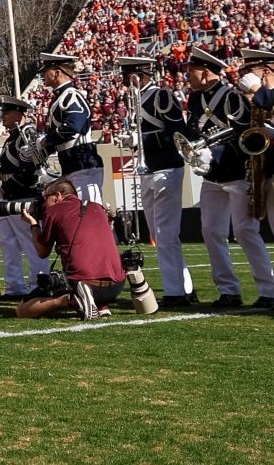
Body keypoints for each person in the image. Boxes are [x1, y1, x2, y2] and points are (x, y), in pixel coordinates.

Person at [182, 46, 272, 310]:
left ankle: (268, 289)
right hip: (212, 176)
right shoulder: (194, 99)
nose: (188, 76)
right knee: (211, 230)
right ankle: (228, 290)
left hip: (236, 173)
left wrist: (217, 151)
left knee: (245, 231)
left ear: (206, 72)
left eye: (192, 71)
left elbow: (247, 135)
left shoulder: (233, 97)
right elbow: (192, 128)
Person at [125, 56, 195, 306]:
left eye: (128, 76)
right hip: (150, 170)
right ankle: (185, 286)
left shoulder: (161, 96)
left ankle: (176, 292)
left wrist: (140, 138)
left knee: (165, 234)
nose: (126, 82)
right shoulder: (138, 100)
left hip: (166, 168)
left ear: (139, 75)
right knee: (158, 233)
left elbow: (177, 131)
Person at [16, 178, 128, 320]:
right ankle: (100, 305)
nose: (44, 204)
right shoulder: (97, 207)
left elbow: (42, 252)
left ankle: (71, 300)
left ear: (58, 196)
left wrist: (33, 224)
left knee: (23, 310)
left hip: (85, 284)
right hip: (117, 286)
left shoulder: (55, 210)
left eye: (46, 198)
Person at [0, 96, 50, 297]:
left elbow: (29, 169)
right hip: (10, 196)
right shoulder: (13, 136)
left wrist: (4, 188)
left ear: (19, 113)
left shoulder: (27, 133)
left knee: (31, 244)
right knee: (9, 247)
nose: (3, 116)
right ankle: (14, 288)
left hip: (23, 195)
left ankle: (40, 284)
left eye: (6, 113)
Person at [38, 53, 104, 202]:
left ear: (57, 72)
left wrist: (46, 140)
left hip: (83, 164)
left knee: (87, 214)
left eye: (46, 69)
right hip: (71, 165)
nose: (43, 74)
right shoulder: (60, 98)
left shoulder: (71, 95)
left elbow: (75, 124)